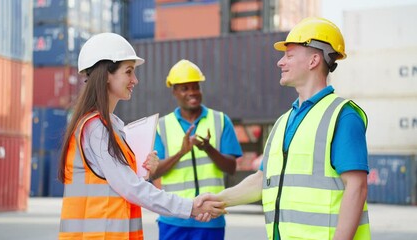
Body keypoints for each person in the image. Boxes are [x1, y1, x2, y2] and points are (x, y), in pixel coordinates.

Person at [198, 17, 371, 240]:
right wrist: (218, 199)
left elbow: (356, 188)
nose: (280, 62)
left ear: (313, 61)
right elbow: (263, 180)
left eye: (289, 56)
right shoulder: (283, 121)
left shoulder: (343, 115)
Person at [57, 33, 226, 240]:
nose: (135, 80)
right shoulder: (96, 129)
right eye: (129, 72)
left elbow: (122, 183)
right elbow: (130, 188)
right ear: (107, 75)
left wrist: (144, 171)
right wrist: (190, 206)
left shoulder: (112, 126)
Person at [150, 59, 243, 240]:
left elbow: (231, 168)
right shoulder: (161, 126)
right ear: (174, 91)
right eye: (185, 88)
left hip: (210, 218)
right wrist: (181, 153)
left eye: (195, 87)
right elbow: (154, 172)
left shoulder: (221, 120)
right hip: (173, 218)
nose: (192, 92)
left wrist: (208, 148)